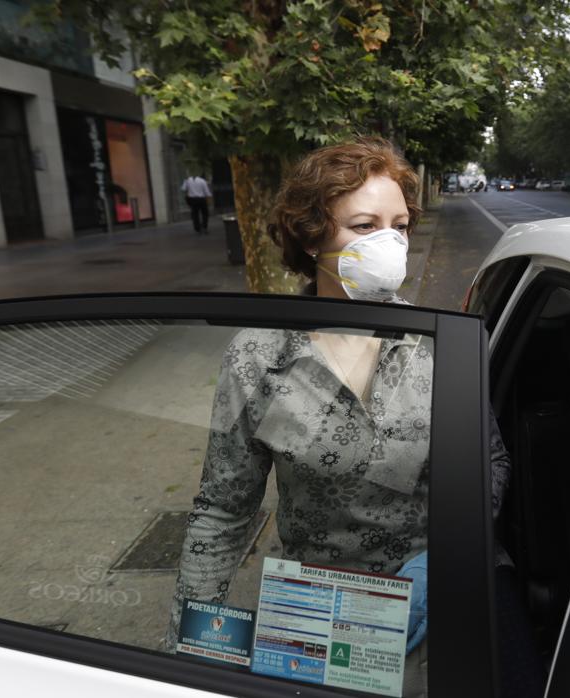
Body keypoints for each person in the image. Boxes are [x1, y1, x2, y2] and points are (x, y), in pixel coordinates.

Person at [164, 138, 513, 684]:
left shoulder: (437, 343)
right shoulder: (260, 355)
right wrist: (189, 642)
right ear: (310, 237)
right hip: (317, 612)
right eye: (364, 226)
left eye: (399, 225)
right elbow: (223, 510)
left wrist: (444, 557)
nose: (390, 244)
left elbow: (490, 462)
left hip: (441, 595)